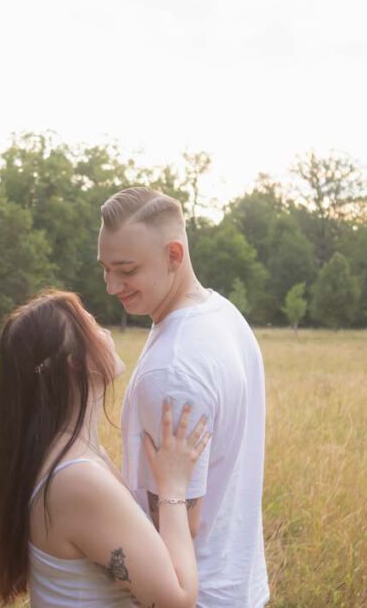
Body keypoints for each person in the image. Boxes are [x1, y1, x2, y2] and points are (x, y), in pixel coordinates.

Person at [0, 289, 211, 608]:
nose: (106, 332)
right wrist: (173, 485)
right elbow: (177, 601)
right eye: (91, 324)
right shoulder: (76, 480)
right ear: (74, 365)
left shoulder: (75, 455)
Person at [98, 187, 270, 607]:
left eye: (127, 270)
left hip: (196, 593)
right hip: (239, 587)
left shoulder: (173, 369)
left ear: (174, 255)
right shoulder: (223, 315)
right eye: (104, 269)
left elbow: (178, 522)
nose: (111, 285)